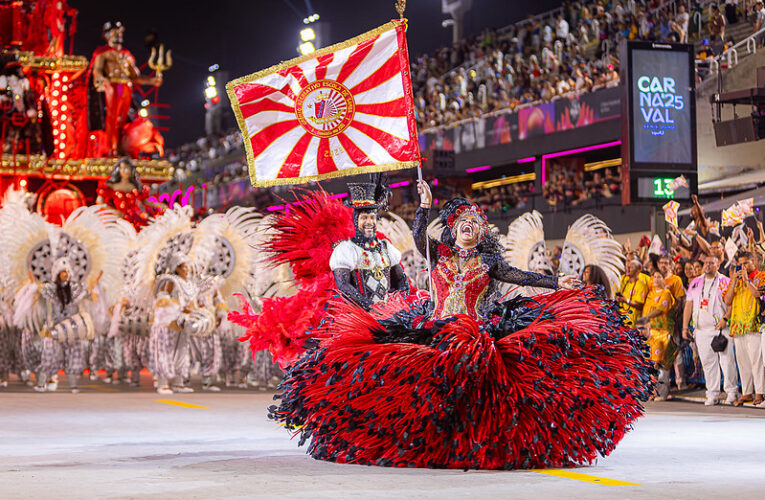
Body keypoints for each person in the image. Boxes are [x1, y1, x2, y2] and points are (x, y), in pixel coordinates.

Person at [266, 181, 653, 469]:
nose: (468, 225)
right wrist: (424, 206)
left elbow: (521, 276)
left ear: (482, 231)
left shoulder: (489, 263)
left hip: (478, 330)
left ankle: (479, 445)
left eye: (474, 222)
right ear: (452, 229)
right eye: (461, 221)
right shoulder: (438, 254)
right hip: (437, 328)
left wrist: (556, 282)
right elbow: (420, 237)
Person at [329, 181, 409, 309]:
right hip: (361, 316)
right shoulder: (345, 250)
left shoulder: (386, 247)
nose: (369, 222)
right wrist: (369, 305)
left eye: (372, 217)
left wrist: (401, 301)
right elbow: (343, 285)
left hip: (389, 314)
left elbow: (400, 279)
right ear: (356, 221)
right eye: (364, 218)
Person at [91, 21, 162, 156]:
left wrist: (152, 81)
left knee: (123, 120)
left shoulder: (127, 54)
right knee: (112, 119)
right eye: (115, 32)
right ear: (107, 35)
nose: (118, 34)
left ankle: (121, 148)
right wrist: (100, 81)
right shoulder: (103, 53)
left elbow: (136, 76)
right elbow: (98, 71)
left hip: (125, 87)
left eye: (120, 31)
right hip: (112, 86)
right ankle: (111, 150)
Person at [682, 254, 738, 405]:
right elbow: (688, 305)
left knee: (727, 362)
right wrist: (685, 327)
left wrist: (725, 318)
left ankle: (731, 391)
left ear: (718, 265)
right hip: (701, 330)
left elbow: (733, 302)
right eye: (705, 263)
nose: (707, 265)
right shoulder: (695, 282)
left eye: (711, 263)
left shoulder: (725, 281)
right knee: (708, 363)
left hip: (721, 329)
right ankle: (712, 393)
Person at [36, 259, 98, 393]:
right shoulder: (50, 290)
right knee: (49, 355)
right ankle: (42, 383)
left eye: (68, 272)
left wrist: (92, 293)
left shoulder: (75, 289)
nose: (66, 274)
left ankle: (73, 385)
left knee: (73, 355)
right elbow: (42, 302)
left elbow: (88, 296)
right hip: (54, 327)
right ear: (57, 274)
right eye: (63, 272)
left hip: (71, 328)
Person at [723, 252, 765, 406]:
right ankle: (747, 392)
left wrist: (747, 280)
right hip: (738, 325)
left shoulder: (761, 276)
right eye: (741, 264)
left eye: (746, 263)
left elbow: (758, 295)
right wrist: (733, 281)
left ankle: (760, 392)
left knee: (757, 361)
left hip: (754, 324)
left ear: (753, 261)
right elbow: (727, 301)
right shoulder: (736, 280)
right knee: (743, 361)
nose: (744, 267)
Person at [637, 271, 677, 401]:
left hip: (663, 332)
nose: (656, 278)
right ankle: (652, 391)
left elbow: (661, 309)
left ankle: (662, 392)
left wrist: (644, 318)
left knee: (661, 363)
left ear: (664, 280)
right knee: (650, 362)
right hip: (651, 333)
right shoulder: (650, 294)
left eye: (659, 276)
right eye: (654, 276)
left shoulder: (666, 293)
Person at [617, 260, 648, 326]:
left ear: (638, 270)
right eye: (628, 267)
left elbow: (640, 306)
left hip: (633, 324)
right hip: (621, 322)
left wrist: (626, 301)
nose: (628, 269)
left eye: (631, 267)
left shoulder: (641, 285)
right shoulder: (624, 282)